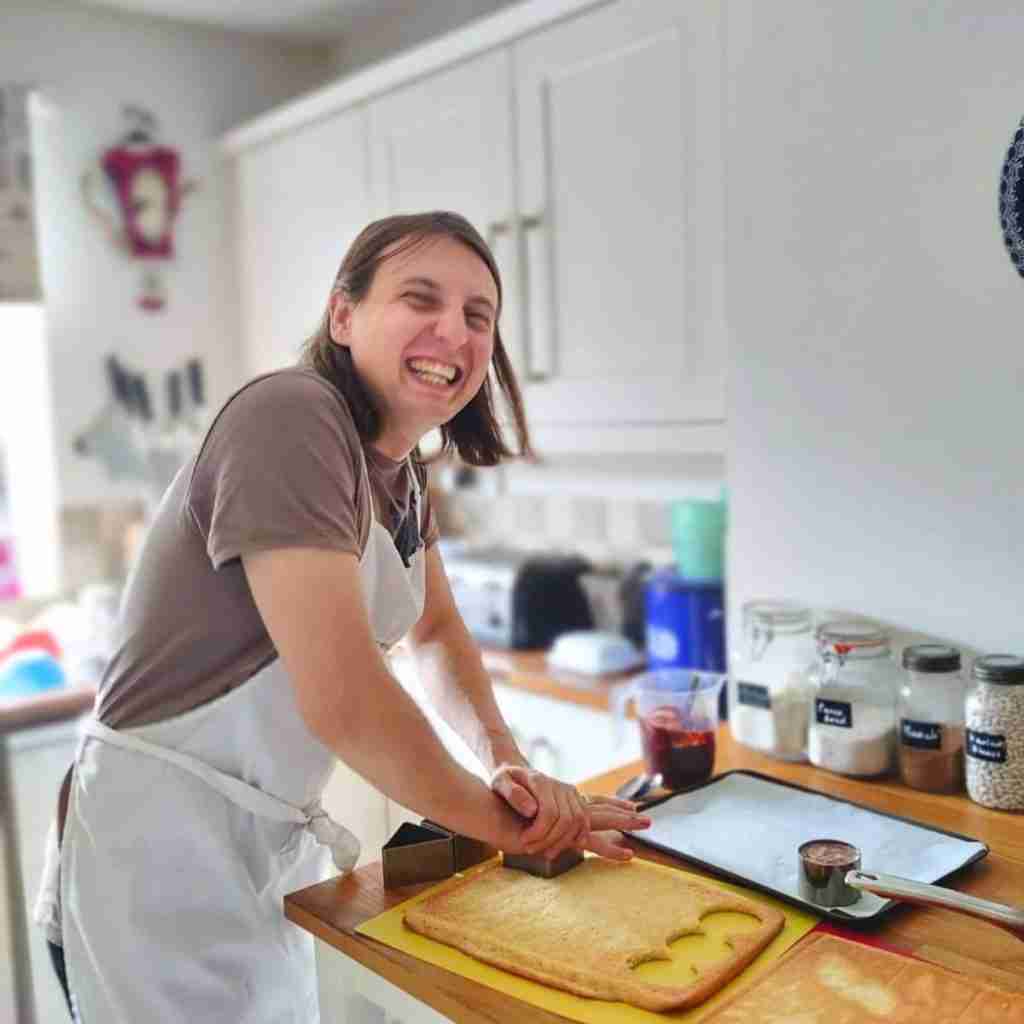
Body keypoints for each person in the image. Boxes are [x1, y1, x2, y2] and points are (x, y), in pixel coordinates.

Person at [36, 211, 652, 1022]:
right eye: (419, 298)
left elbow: (435, 634)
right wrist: (517, 828)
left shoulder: (400, 474)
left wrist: (507, 763)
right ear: (343, 316)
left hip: (254, 849)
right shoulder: (291, 417)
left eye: (479, 315)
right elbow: (345, 697)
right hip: (152, 856)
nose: (453, 331)